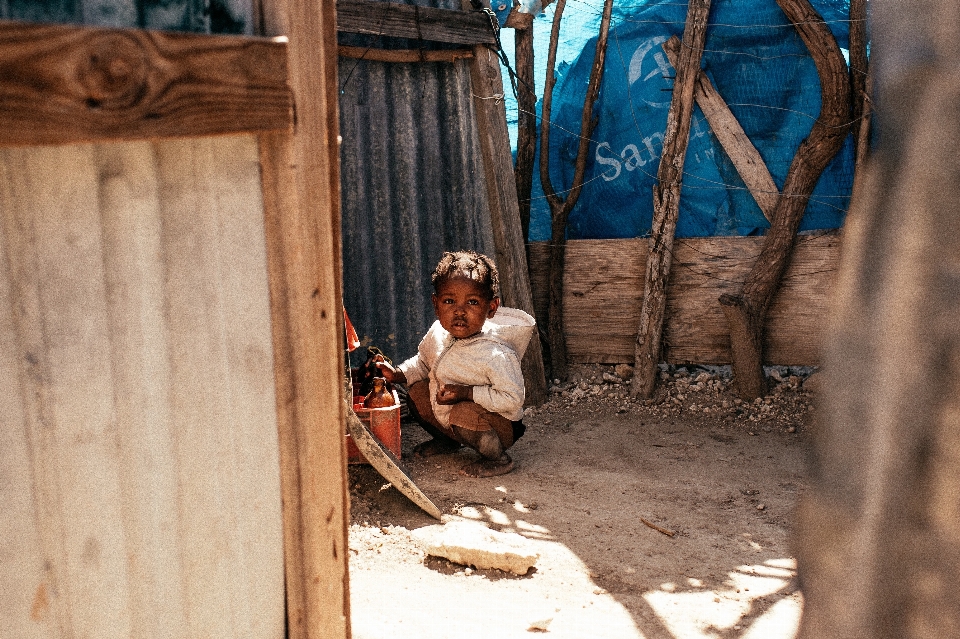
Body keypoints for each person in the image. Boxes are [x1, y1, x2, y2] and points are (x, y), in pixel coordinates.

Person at [376, 250, 534, 477]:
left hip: (498, 426)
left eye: (472, 302)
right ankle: (448, 442)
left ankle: (499, 459)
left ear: (491, 307)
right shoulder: (438, 333)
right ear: (436, 304)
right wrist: (398, 374)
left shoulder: (496, 353)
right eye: (449, 301)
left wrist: (467, 393)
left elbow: (513, 398)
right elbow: (423, 363)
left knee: (463, 414)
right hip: (450, 416)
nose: (459, 311)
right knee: (417, 393)